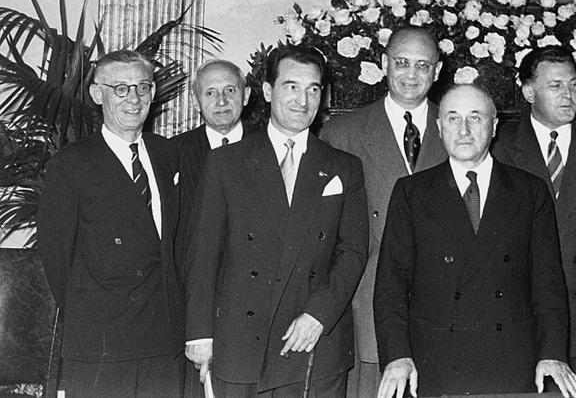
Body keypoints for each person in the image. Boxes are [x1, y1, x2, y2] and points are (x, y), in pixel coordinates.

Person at [373, 82, 576, 398]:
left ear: (494, 125)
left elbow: (548, 285)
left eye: (475, 117)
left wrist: (552, 353)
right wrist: (396, 356)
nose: (463, 130)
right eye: (452, 118)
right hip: (434, 362)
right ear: (439, 128)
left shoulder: (529, 191)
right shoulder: (412, 192)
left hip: (511, 361)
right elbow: (390, 287)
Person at [185, 45, 369, 397]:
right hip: (241, 342)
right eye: (292, 86)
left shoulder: (344, 167)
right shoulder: (227, 162)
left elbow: (353, 252)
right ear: (268, 92)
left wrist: (319, 315)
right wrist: (200, 333)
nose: (303, 100)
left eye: (313, 89)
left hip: (314, 341)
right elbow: (204, 254)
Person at [37, 49, 185, 397]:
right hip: (101, 342)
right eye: (120, 88)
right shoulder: (71, 164)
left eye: (142, 87)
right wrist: (94, 315)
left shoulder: (168, 155)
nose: (133, 99)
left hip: (163, 338)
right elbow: (57, 256)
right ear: (96, 93)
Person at [320, 26, 448, 398]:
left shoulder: (459, 127)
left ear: (437, 71)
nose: (411, 74)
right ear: (383, 64)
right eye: (402, 63)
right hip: (368, 309)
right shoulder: (343, 133)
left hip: (442, 310)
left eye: (422, 65)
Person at [491, 46, 576, 389]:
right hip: (520, 314)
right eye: (556, 86)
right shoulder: (500, 147)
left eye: (573, 85)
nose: (568, 95)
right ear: (529, 91)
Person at [171, 59, 253, 275]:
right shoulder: (173, 153)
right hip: (192, 287)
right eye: (210, 93)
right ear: (196, 101)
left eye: (230, 90)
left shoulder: (272, 148)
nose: (222, 101)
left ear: (245, 96)